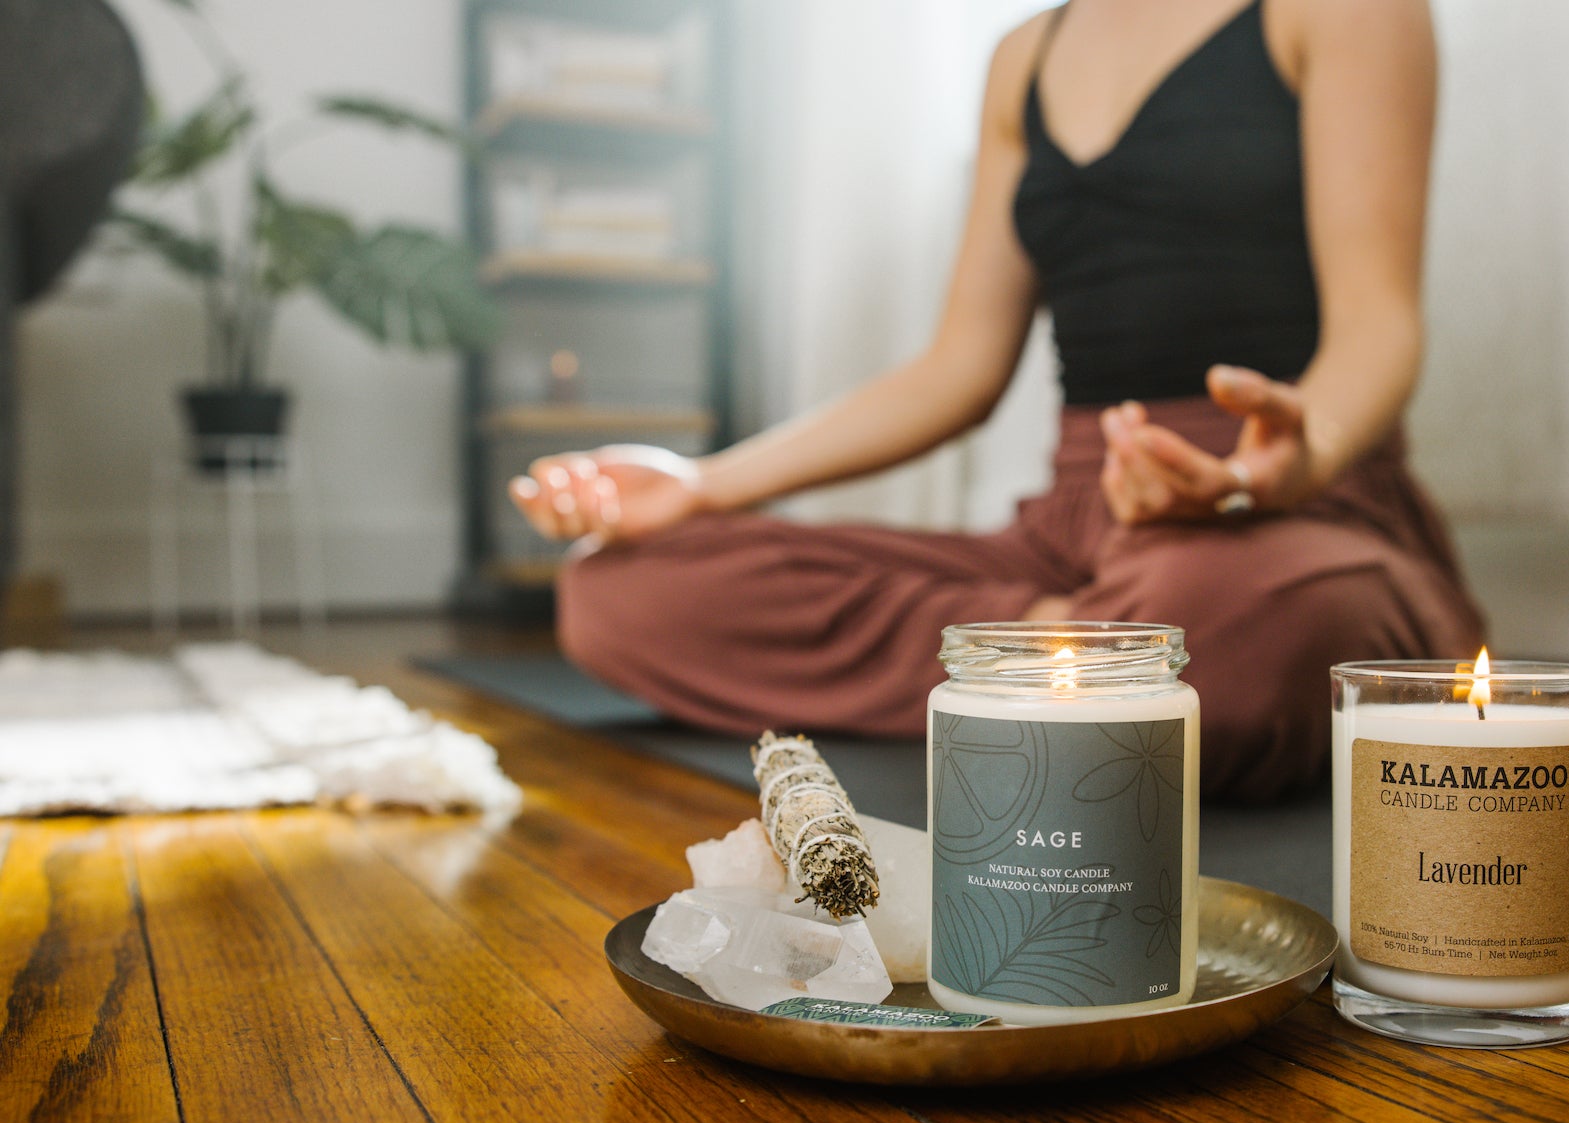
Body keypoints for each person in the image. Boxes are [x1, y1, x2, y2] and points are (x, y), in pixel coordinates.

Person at [510, 0, 1483, 802]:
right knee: (616, 592)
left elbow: (1379, 328)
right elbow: (957, 370)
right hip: (1074, 535)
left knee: (1227, 626)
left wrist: (1284, 462)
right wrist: (701, 485)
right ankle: (1080, 655)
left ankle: (1060, 666)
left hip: (1291, 518)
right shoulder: (1022, 59)